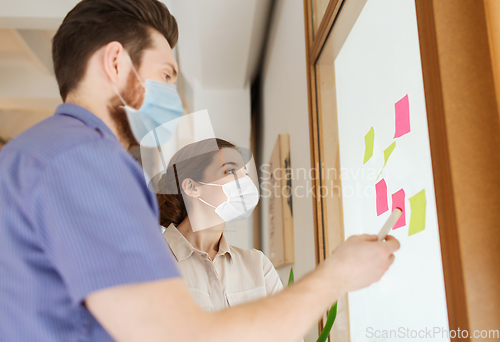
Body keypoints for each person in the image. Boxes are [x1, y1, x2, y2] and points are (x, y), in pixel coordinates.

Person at [0, 1, 400, 341]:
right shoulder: (86, 161)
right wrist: (337, 276)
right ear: (116, 61)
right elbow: (178, 333)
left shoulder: (36, 154)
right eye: (167, 76)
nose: (174, 99)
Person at [157, 138, 287, 312]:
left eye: (245, 174)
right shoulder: (148, 261)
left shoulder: (258, 265)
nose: (244, 182)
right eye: (230, 171)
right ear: (191, 187)